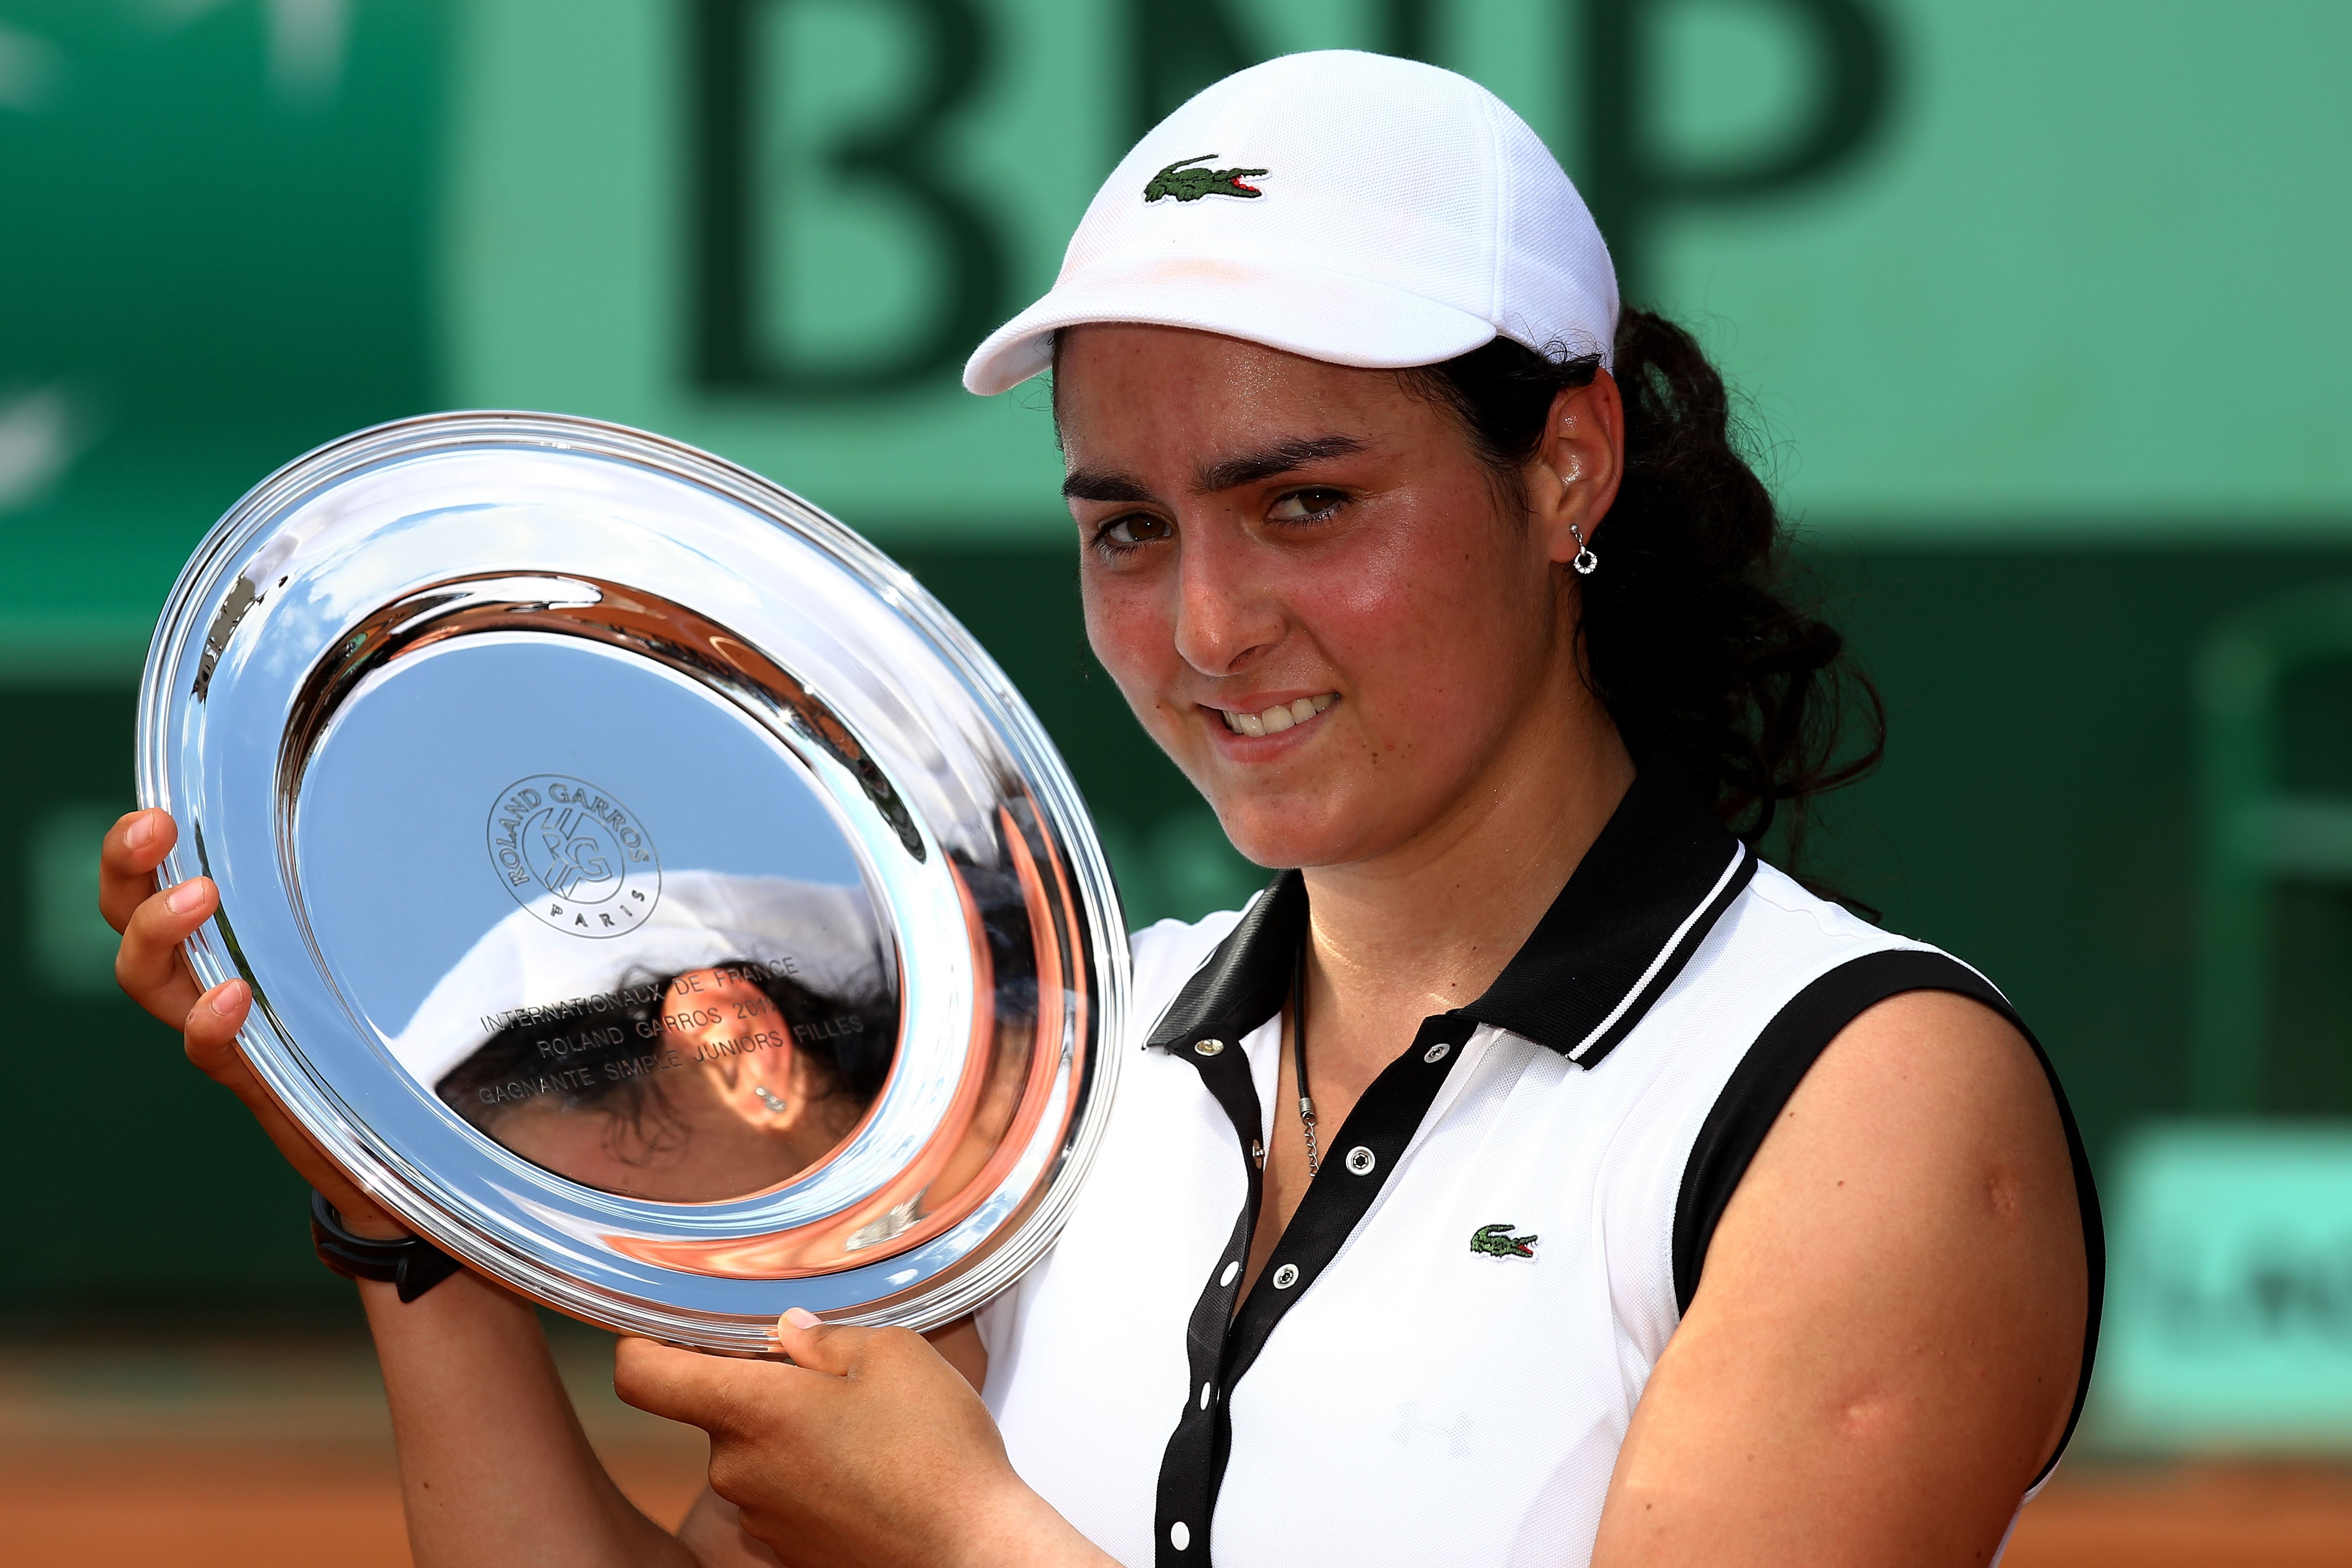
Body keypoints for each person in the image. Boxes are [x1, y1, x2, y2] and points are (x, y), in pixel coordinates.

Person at [103, 50, 2097, 1568]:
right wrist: (408, 1220)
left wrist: (970, 1535)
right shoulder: (1058, 1074)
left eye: (1305, 503)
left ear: (1567, 467)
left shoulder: (1867, 1100)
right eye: (1128, 530)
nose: (1209, 627)